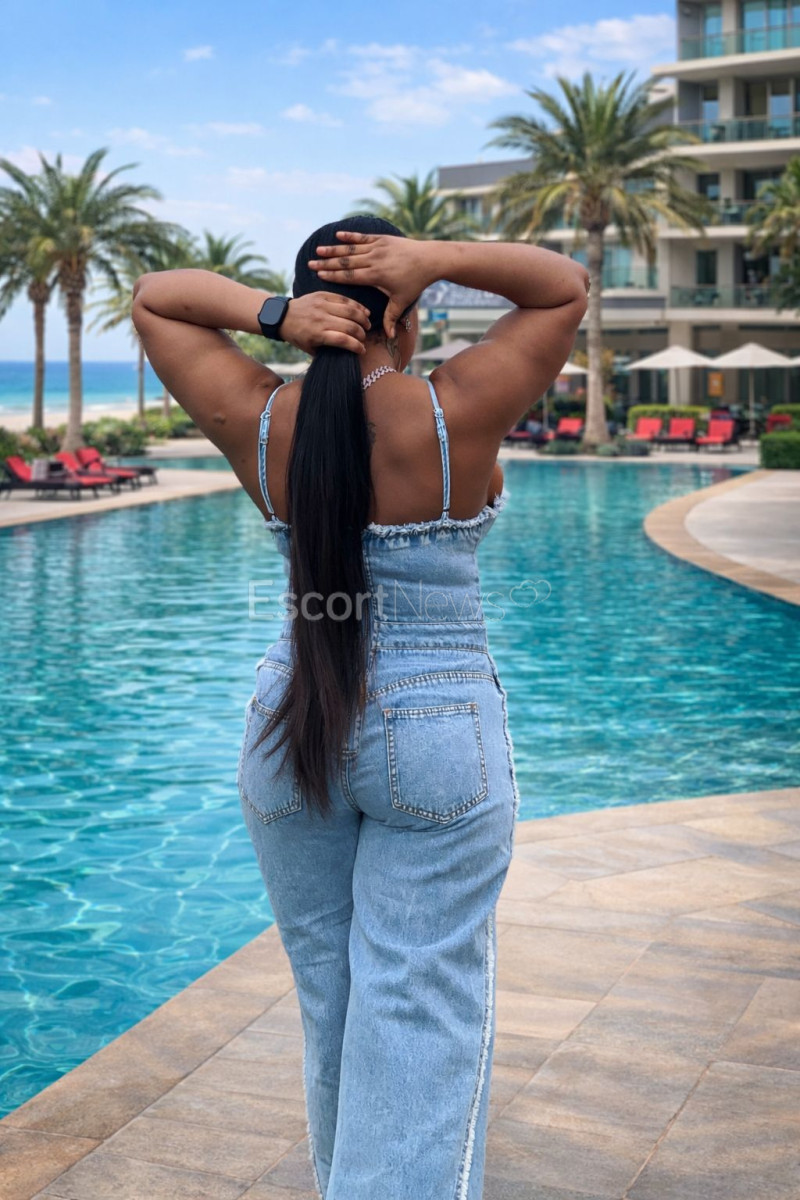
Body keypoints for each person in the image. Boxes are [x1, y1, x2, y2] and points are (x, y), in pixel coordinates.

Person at [131, 217, 588, 1200]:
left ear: (311, 313)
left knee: (331, 998)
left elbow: (157, 298)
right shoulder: (452, 411)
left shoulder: (260, 417)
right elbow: (561, 286)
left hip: (292, 719)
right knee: (417, 1007)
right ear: (406, 314)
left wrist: (274, 316)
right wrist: (439, 261)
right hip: (435, 731)